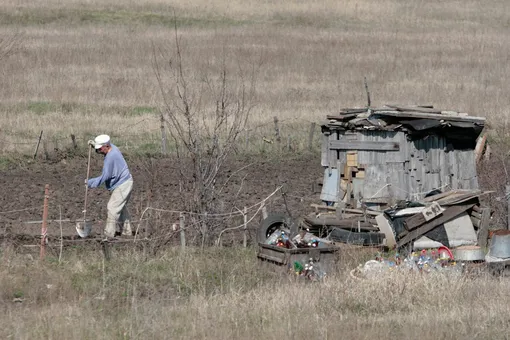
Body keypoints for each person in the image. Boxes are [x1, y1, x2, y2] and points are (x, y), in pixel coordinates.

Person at [86, 134, 133, 238]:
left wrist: (90, 182)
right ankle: (127, 232)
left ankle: (108, 235)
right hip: (124, 182)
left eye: (100, 148)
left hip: (123, 184)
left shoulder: (111, 157)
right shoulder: (112, 147)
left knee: (112, 207)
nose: (99, 151)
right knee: (121, 208)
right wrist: (93, 144)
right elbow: (102, 147)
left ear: (107, 146)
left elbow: (105, 176)